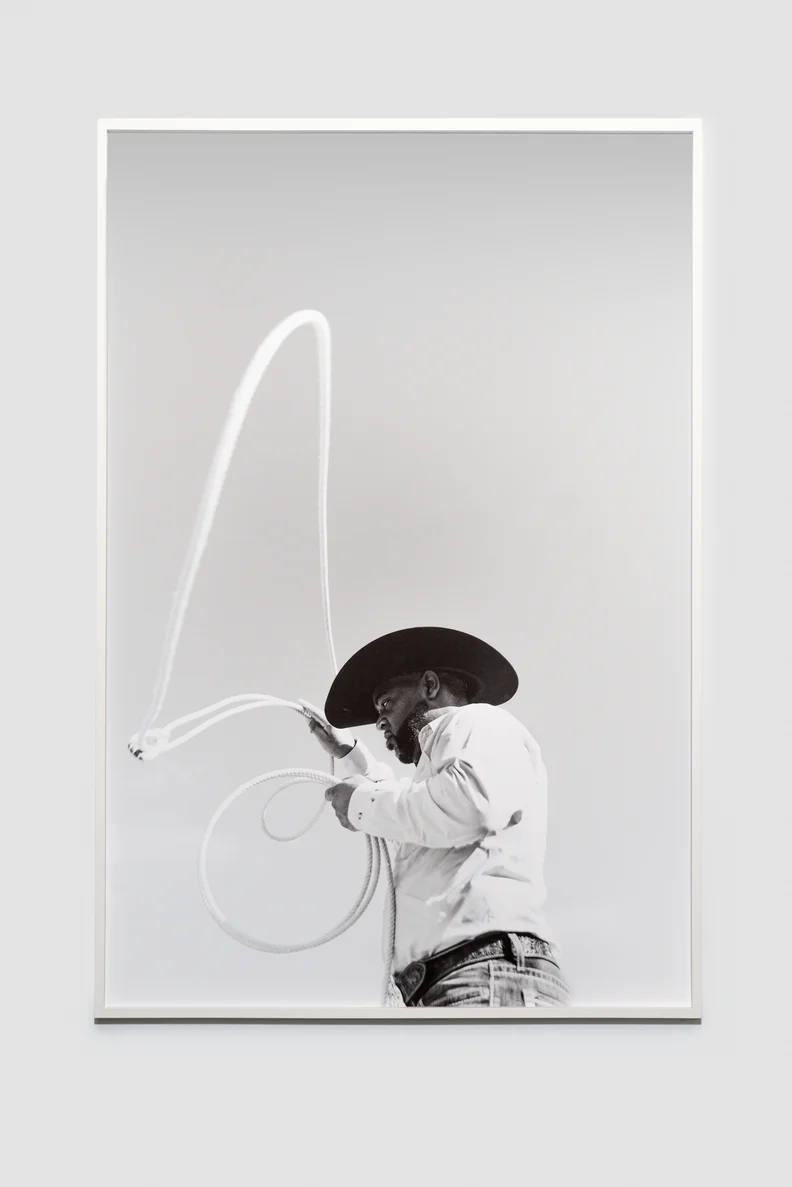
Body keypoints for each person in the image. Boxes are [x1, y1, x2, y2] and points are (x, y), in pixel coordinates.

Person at [304, 626, 570, 1009]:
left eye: (385, 703)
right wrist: (351, 755)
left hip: (482, 974)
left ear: (429, 685)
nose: (379, 722)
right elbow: (422, 819)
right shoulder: (445, 768)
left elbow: (467, 804)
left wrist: (362, 802)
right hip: (464, 980)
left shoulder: (478, 721)